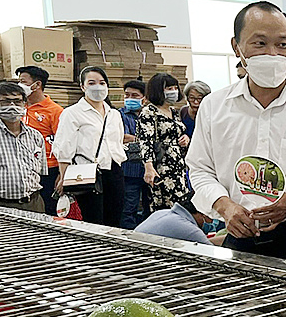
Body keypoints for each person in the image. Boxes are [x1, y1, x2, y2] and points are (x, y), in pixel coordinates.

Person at [187, 1, 286, 263]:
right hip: (238, 240)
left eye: (282, 44)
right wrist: (225, 206)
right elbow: (200, 170)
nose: (272, 53)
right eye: (260, 43)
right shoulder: (215, 107)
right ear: (236, 47)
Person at [51, 66, 127, 225]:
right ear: (82, 87)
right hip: (85, 173)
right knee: (92, 220)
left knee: (114, 219)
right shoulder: (72, 113)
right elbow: (64, 147)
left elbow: (117, 142)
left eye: (102, 82)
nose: (98, 87)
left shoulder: (114, 114)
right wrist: (64, 177)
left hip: (113, 171)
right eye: (91, 83)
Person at [138, 73, 190, 212]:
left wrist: (185, 139)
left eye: (175, 88)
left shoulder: (174, 111)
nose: (173, 91)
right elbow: (145, 141)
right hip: (161, 167)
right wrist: (149, 168)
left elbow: (178, 132)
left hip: (178, 167)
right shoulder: (149, 112)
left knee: (182, 206)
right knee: (166, 207)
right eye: (168, 88)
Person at [16, 66, 62, 215]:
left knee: (48, 210)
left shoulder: (55, 111)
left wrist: (62, 174)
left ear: (37, 85)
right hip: (23, 169)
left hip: (48, 170)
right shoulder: (18, 108)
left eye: (23, 81)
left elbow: (63, 144)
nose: (19, 85)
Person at [0, 81, 46, 213]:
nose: (12, 106)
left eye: (17, 101)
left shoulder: (35, 136)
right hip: (2, 205)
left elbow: (41, 172)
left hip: (33, 204)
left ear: (25, 104)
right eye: (6, 101)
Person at [120, 80, 149, 229]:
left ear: (144, 98)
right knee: (128, 208)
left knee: (150, 208)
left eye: (135, 95)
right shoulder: (119, 115)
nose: (130, 98)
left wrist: (134, 138)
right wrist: (143, 139)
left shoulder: (150, 115)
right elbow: (121, 136)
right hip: (129, 170)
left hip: (149, 170)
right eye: (127, 95)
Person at [135, 194, 212, 245]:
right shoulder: (190, 229)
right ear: (203, 214)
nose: (212, 222)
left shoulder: (162, 213)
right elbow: (211, 253)